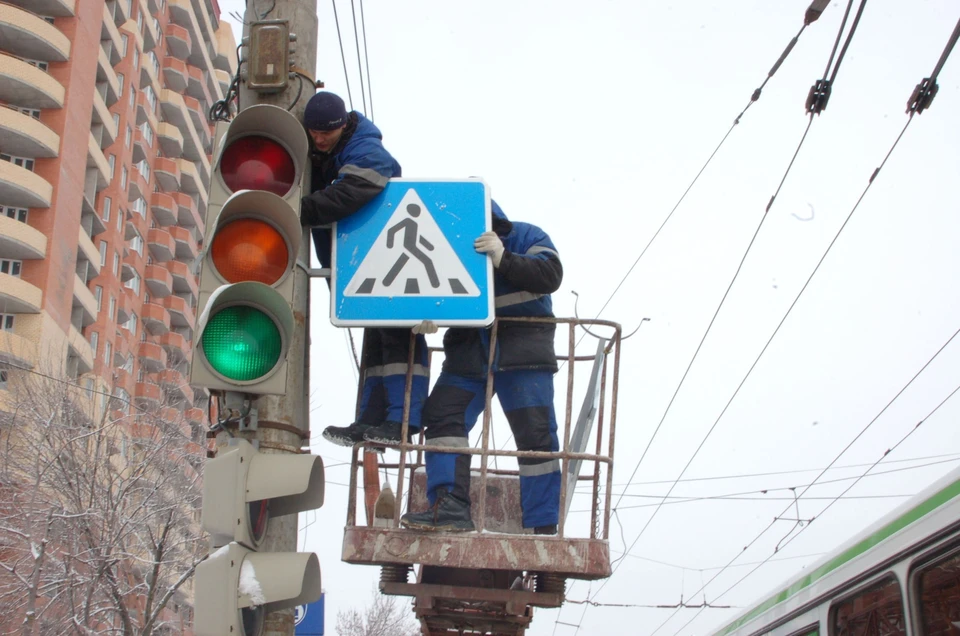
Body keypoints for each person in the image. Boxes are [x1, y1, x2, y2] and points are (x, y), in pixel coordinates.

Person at [400, 202, 563, 534]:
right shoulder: (444, 245)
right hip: (468, 355)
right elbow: (428, 286)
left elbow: (550, 275)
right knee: (443, 415)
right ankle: (449, 508)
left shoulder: (527, 235)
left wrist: (504, 258)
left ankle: (543, 525)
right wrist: (426, 312)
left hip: (523, 355)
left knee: (536, 436)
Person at [299, 92, 429, 447]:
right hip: (362, 263)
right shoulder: (312, 146)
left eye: (327, 132)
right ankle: (371, 421)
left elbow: (355, 190)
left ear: (344, 125)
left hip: (390, 258)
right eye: (313, 132)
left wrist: (300, 209)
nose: (320, 139)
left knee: (398, 336)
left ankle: (403, 421)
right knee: (376, 343)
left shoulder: (367, 149)